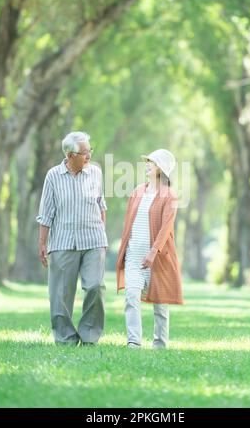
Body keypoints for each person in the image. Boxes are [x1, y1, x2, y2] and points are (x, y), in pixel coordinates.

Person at [36, 131, 108, 345]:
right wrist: (42, 243)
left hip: (93, 241)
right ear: (70, 155)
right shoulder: (53, 176)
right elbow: (46, 212)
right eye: (84, 152)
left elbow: (101, 205)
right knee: (60, 295)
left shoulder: (95, 173)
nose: (88, 156)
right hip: (63, 242)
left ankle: (89, 336)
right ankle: (65, 338)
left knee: (95, 286)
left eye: (89, 151)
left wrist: (102, 234)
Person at [116, 149, 183, 349]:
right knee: (131, 296)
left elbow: (166, 228)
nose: (146, 164)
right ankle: (133, 341)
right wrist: (125, 247)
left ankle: (160, 345)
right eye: (147, 161)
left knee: (160, 304)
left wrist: (153, 252)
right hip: (134, 254)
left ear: (161, 169)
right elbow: (129, 222)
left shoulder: (169, 196)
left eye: (151, 162)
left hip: (158, 257)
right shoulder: (137, 191)